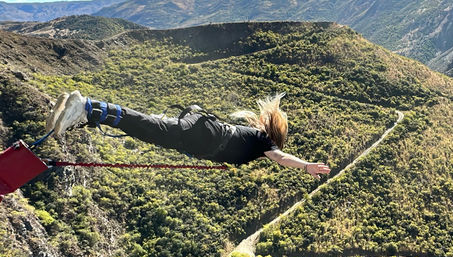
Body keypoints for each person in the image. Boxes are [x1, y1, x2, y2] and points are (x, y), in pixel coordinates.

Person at [46, 90, 331, 177]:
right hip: (201, 136)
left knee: (147, 128)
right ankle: (86, 106)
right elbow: (281, 158)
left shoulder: (252, 137)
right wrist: (305, 166)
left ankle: (85, 111)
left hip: (198, 131)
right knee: (144, 127)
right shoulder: (263, 142)